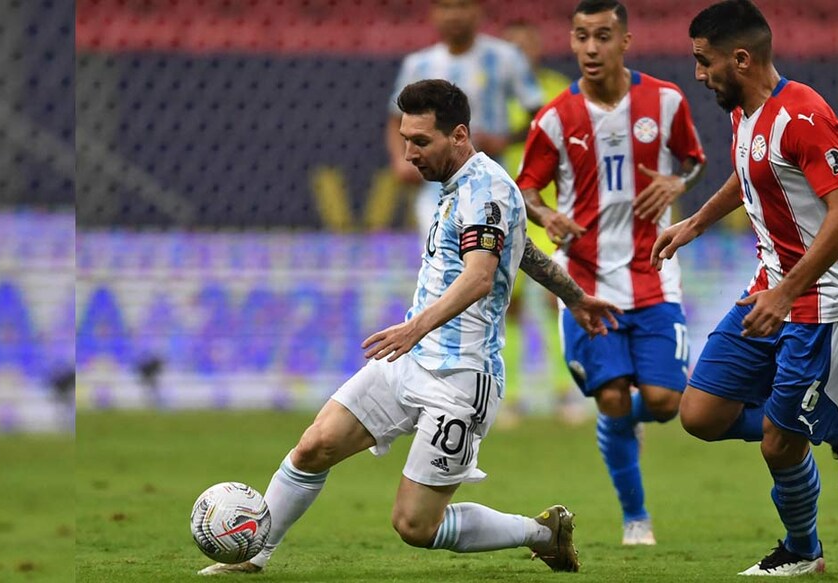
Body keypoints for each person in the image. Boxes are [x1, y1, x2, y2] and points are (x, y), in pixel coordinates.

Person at [199, 79, 623, 576]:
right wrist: (573, 296)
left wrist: (414, 329)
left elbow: (481, 276)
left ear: (459, 135)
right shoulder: (461, 184)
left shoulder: (485, 190)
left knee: (415, 526)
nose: (407, 154)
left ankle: (542, 533)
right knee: (315, 446)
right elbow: (520, 249)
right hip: (411, 361)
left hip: (461, 378)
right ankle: (255, 554)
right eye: (405, 139)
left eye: (420, 142)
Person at [651, 1, 838, 575]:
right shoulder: (745, 112)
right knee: (701, 414)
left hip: (824, 305)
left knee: (779, 445)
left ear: (741, 58)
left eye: (704, 63)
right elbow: (750, 172)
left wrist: (786, 296)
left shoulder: (803, 115)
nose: (699, 76)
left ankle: (804, 552)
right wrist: (695, 223)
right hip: (769, 291)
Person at [515, 0, 707, 546]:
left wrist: (678, 184)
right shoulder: (554, 118)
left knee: (667, 404)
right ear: (572, 42)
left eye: (602, 36)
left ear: (625, 41)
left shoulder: (665, 101)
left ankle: (617, 420)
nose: (591, 48)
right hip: (585, 281)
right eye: (581, 37)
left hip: (654, 274)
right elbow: (526, 188)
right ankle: (635, 518)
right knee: (616, 398)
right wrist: (547, 213)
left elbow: (694, 160)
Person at [385, 0, 543, 231]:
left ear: (478, 11)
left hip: (492, 182)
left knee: (485, 260)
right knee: (440, 261)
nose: (454, 15)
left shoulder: (505, 57)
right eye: (446, 7)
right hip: (435, 189)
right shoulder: (419, 64)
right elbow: (396, 118)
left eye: (462, 6)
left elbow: (539, 115)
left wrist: (505, 140)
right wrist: (400, 160)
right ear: (435, 13)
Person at [499, 19, 576, 425]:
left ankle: (565, 393)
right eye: (513, 48)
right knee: (506, 306)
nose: (520, 56)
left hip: (547, 209)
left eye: (525, 47)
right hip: (504, 211)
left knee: (556, 299)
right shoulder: (492, 94)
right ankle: (509, 397)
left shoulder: (556, 89)